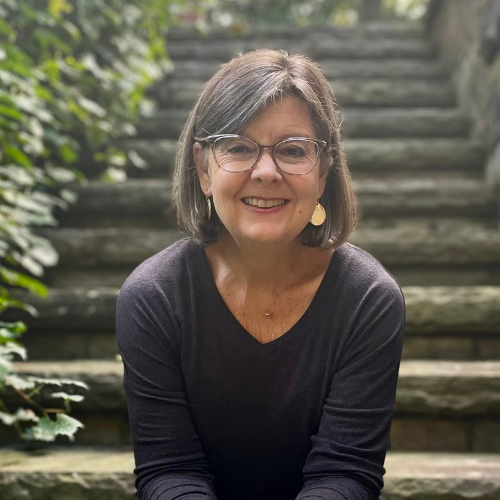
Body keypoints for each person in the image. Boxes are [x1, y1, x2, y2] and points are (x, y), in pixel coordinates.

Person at [116, 49, 406, 500]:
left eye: (293, 150)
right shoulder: (153, 297)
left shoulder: (368, 298)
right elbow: (170, 471)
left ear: (324, 172)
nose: (266, 172)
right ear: (203, 168)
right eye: (238, 147)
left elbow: (345, 475)